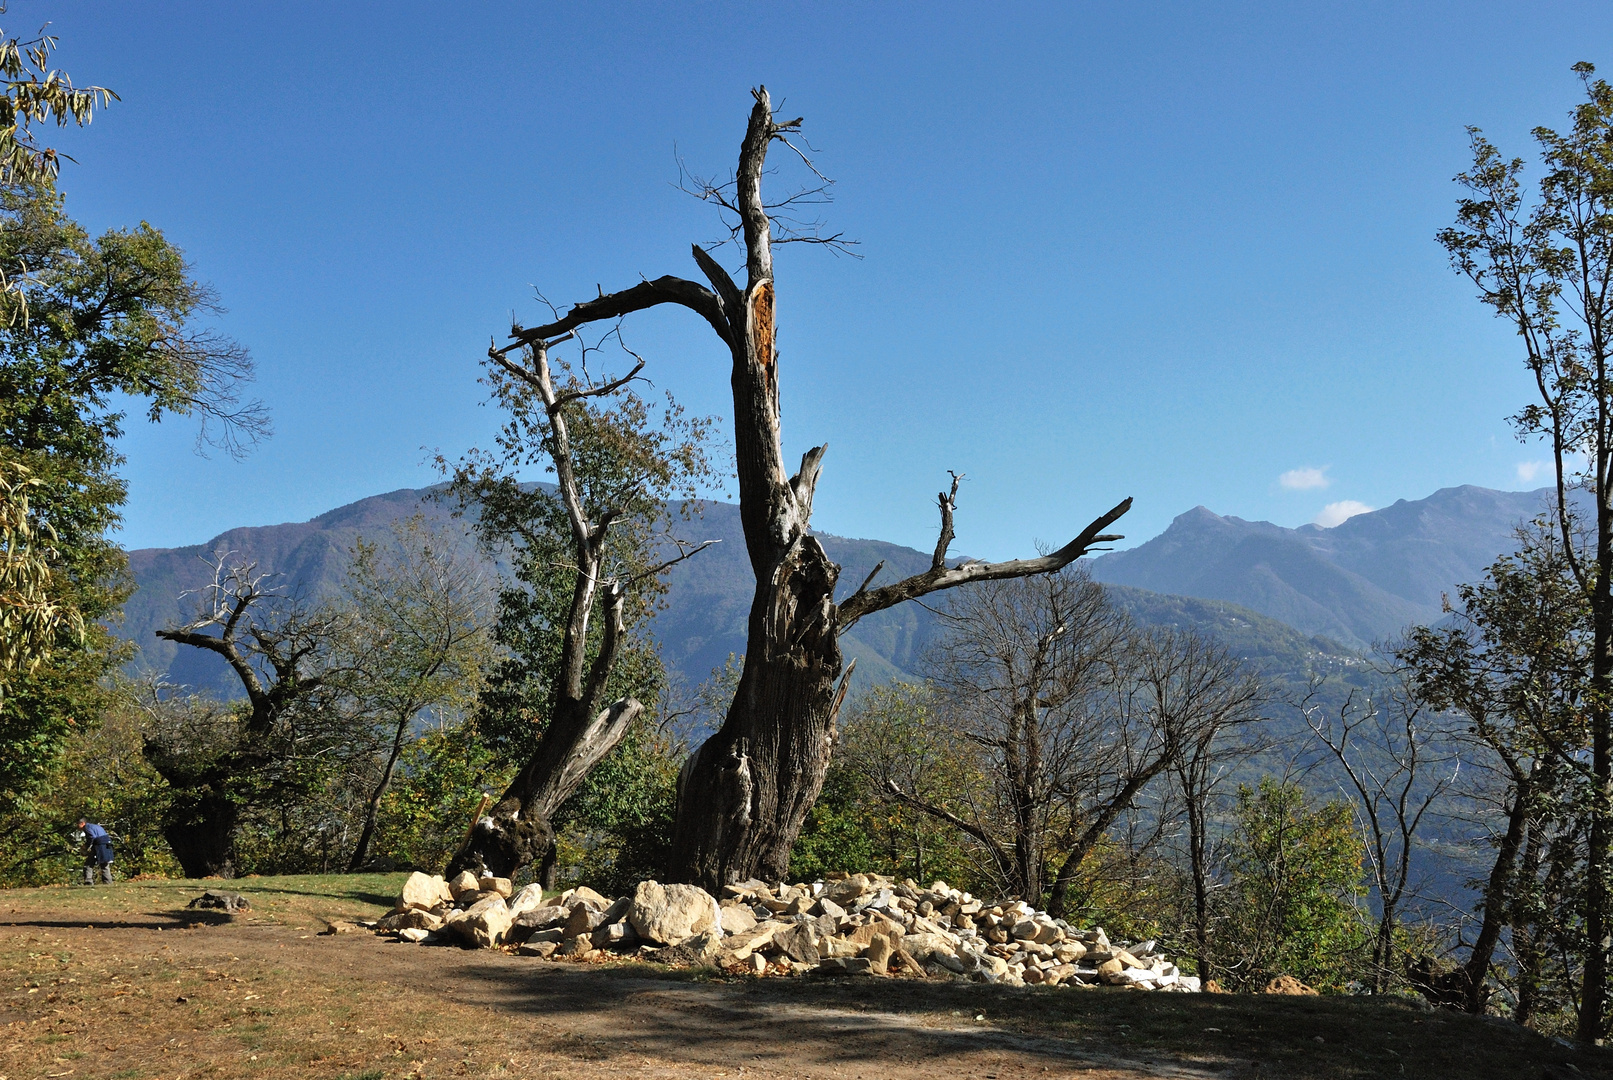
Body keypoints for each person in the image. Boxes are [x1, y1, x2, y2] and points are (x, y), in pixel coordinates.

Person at [78, 818, 113, 884]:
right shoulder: (95, 826)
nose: (78, 827)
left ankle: (88, 881)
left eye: (78, 825)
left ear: (82, 823)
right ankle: (108, 882)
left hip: (99, 845)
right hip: (107, 843)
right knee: (104, 864)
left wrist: (86, 846)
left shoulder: (87, 827)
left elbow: (92, 837)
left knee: (88, 864)